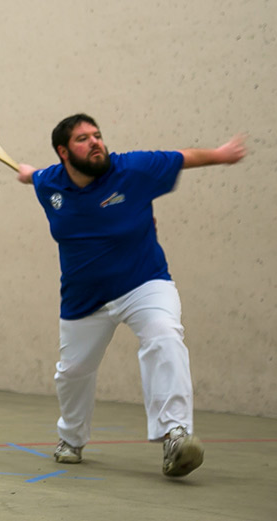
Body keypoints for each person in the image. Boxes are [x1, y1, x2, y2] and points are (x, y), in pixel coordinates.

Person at [16, 113, 245, 478]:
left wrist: (221, 154)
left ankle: (176, 435)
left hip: (144, 282)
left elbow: (183, 156)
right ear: (63, 152)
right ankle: (71, 439)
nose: (95, 142)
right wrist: (29, 174)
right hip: (83, 299)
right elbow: (35, 176)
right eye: (82, 139)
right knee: (73, 372)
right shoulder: (49, 184)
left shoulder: (134, 169)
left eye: (98, 135)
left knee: (164, 335)